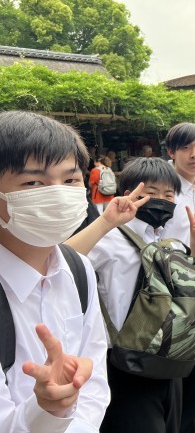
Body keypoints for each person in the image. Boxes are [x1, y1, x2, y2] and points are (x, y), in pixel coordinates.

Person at [0, 110, 109, 432]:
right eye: (33, 182)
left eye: (70, 180)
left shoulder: (78, 270)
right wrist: (46, 411)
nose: (58, 193)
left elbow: (94, 374)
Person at [85, 157, 195, 433]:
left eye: (168, 195)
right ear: (130, 194)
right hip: (126, 361)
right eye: (151, 193)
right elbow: (61, 264)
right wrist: (104, 223)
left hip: (167, 357)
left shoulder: (166, 241)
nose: (161, 201)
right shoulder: (109, 239)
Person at [160, 122, 195, 433]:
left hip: (193, 290)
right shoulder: (165, 190)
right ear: (171, 152)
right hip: (167, 293)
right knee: (171, 377)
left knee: (191, 372)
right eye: (186, 148)